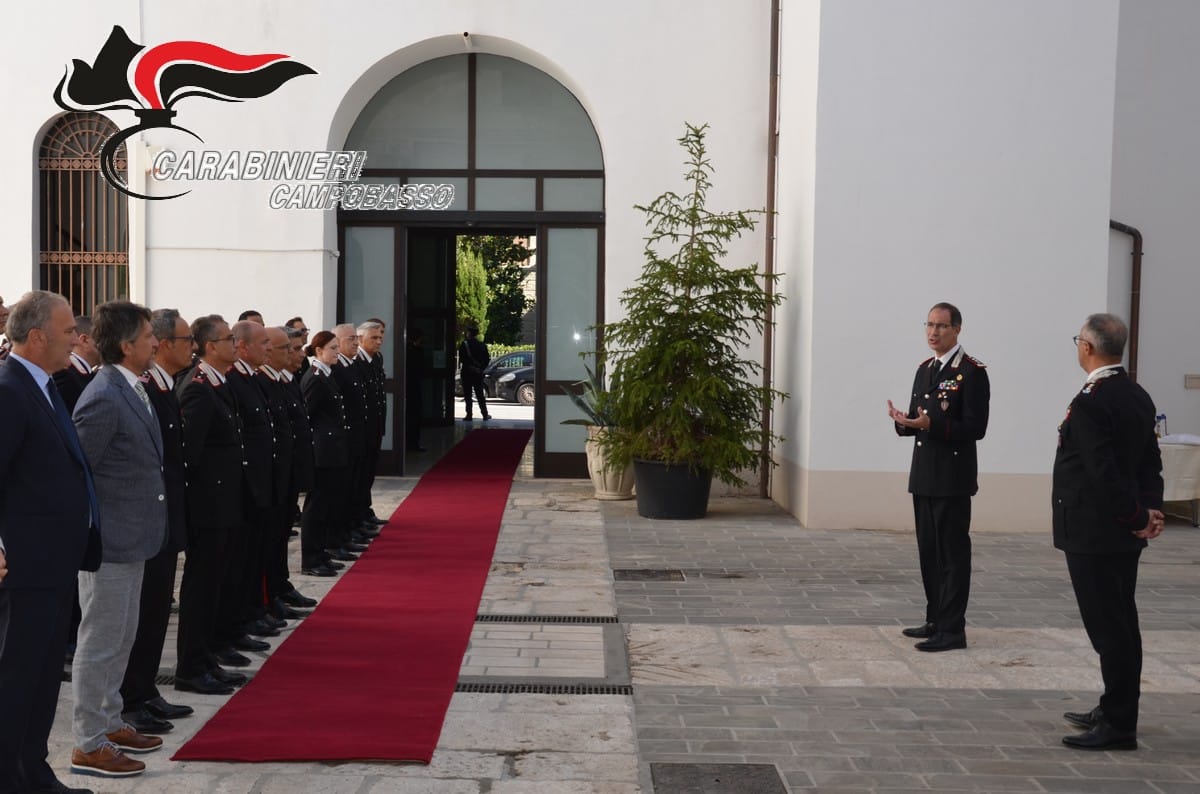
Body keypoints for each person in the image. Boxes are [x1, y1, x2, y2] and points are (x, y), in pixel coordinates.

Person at [0, 290, 100, 794]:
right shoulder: (9, 389)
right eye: (67, 332)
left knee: (41, 680)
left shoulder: (42, 383)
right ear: (37, 337)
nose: (76, 340)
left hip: (54, 560)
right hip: (25, 565)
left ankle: (33, 773)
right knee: (16, 680)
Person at [1054, 313, 1164, 751]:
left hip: (1095, 532)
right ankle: (1116, 705)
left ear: (1087, 347)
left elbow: (1102, 473)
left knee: (1110, 630)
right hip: (1121, 533)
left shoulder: (1092, 402)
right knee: (1122, 624)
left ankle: (1119, 723)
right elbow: (1150, 462)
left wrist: (1138, 517)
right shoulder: (1136, 393)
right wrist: (1150, 511)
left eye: (1077, 341)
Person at [69, 301, 167, 777]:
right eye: (148, 336)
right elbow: (77, 472)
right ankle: (88, 742)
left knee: (122, 636)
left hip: (134, 536)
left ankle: (109, 721)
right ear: (127, 346)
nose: (156, 342)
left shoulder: (130, 385)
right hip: (109, 542)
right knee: (100, 641)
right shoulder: (104, 395)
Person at [887, 302, 990, 652]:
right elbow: (920, 420)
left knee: (952, 555)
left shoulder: (972, 373)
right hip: (924, 475)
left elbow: (976, 428)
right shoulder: (925, 369)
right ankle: (935, 618)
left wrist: (934, 424)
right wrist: (904, 422)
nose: (934, 332)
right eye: (929, 325)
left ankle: (953, 629)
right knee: (929, 552)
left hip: (952, 478)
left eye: (942, 326)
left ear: (957, 329)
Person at [119, 309, 195, 734]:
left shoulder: (163, 386)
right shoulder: (144, 387)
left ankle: (147, 690)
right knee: (143, 612)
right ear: (164, 344)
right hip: (145, 520)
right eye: (187, 340)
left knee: (156, 610)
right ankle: (132, 699)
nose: (193, 348)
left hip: (164, 516)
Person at [174, 315, 247, 695]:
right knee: (201, 588)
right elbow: (190, 455)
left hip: (224, 503)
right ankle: (190, 667)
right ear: (209, 346)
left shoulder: (219, 383)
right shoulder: (199, 388)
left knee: (215, 584)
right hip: (208, 507)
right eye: (228, 338)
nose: (235, 343)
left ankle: (206, 658)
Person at [300, 331, 349, 577]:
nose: (337, 352)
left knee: (327, 504)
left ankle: (321, 554)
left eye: (338, 347)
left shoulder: (327, 375)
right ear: (319, 351)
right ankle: (311, 559)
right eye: (332, 348)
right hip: (322, 451)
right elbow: (307, 416)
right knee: (316, 507)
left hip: (332, 450)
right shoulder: (315, 378)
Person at [459, 324, 490, 421]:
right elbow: (487, 359)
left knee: (467, 394)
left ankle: (469, 414)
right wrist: (480, 368)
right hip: (478, 373)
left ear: (469, 333)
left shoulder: (464, 344)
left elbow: (462, 359)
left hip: (467, 372)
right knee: (480, 394)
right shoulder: (482, 345)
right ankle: (485, 414)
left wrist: (469, 366)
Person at [406, 326, 428, 451]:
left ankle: (408, 442)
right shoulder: (417, 351)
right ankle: (413, 442)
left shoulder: (404, 350)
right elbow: (421, 368)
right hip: (414, 387)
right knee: (414, 415)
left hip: (407, 387)